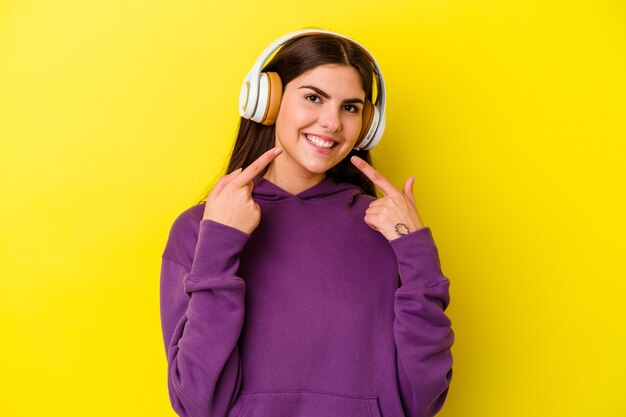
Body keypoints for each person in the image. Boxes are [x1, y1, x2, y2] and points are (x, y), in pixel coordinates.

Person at [160, 29, 455, 417]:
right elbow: (196, 403)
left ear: (367, 124)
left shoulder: (387, 228)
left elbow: (423, 399)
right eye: (314, 98)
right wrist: (219, 244)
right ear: (268, 102)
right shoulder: (201, 228)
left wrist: (416, 254)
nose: (332, 122)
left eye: (350, 107)